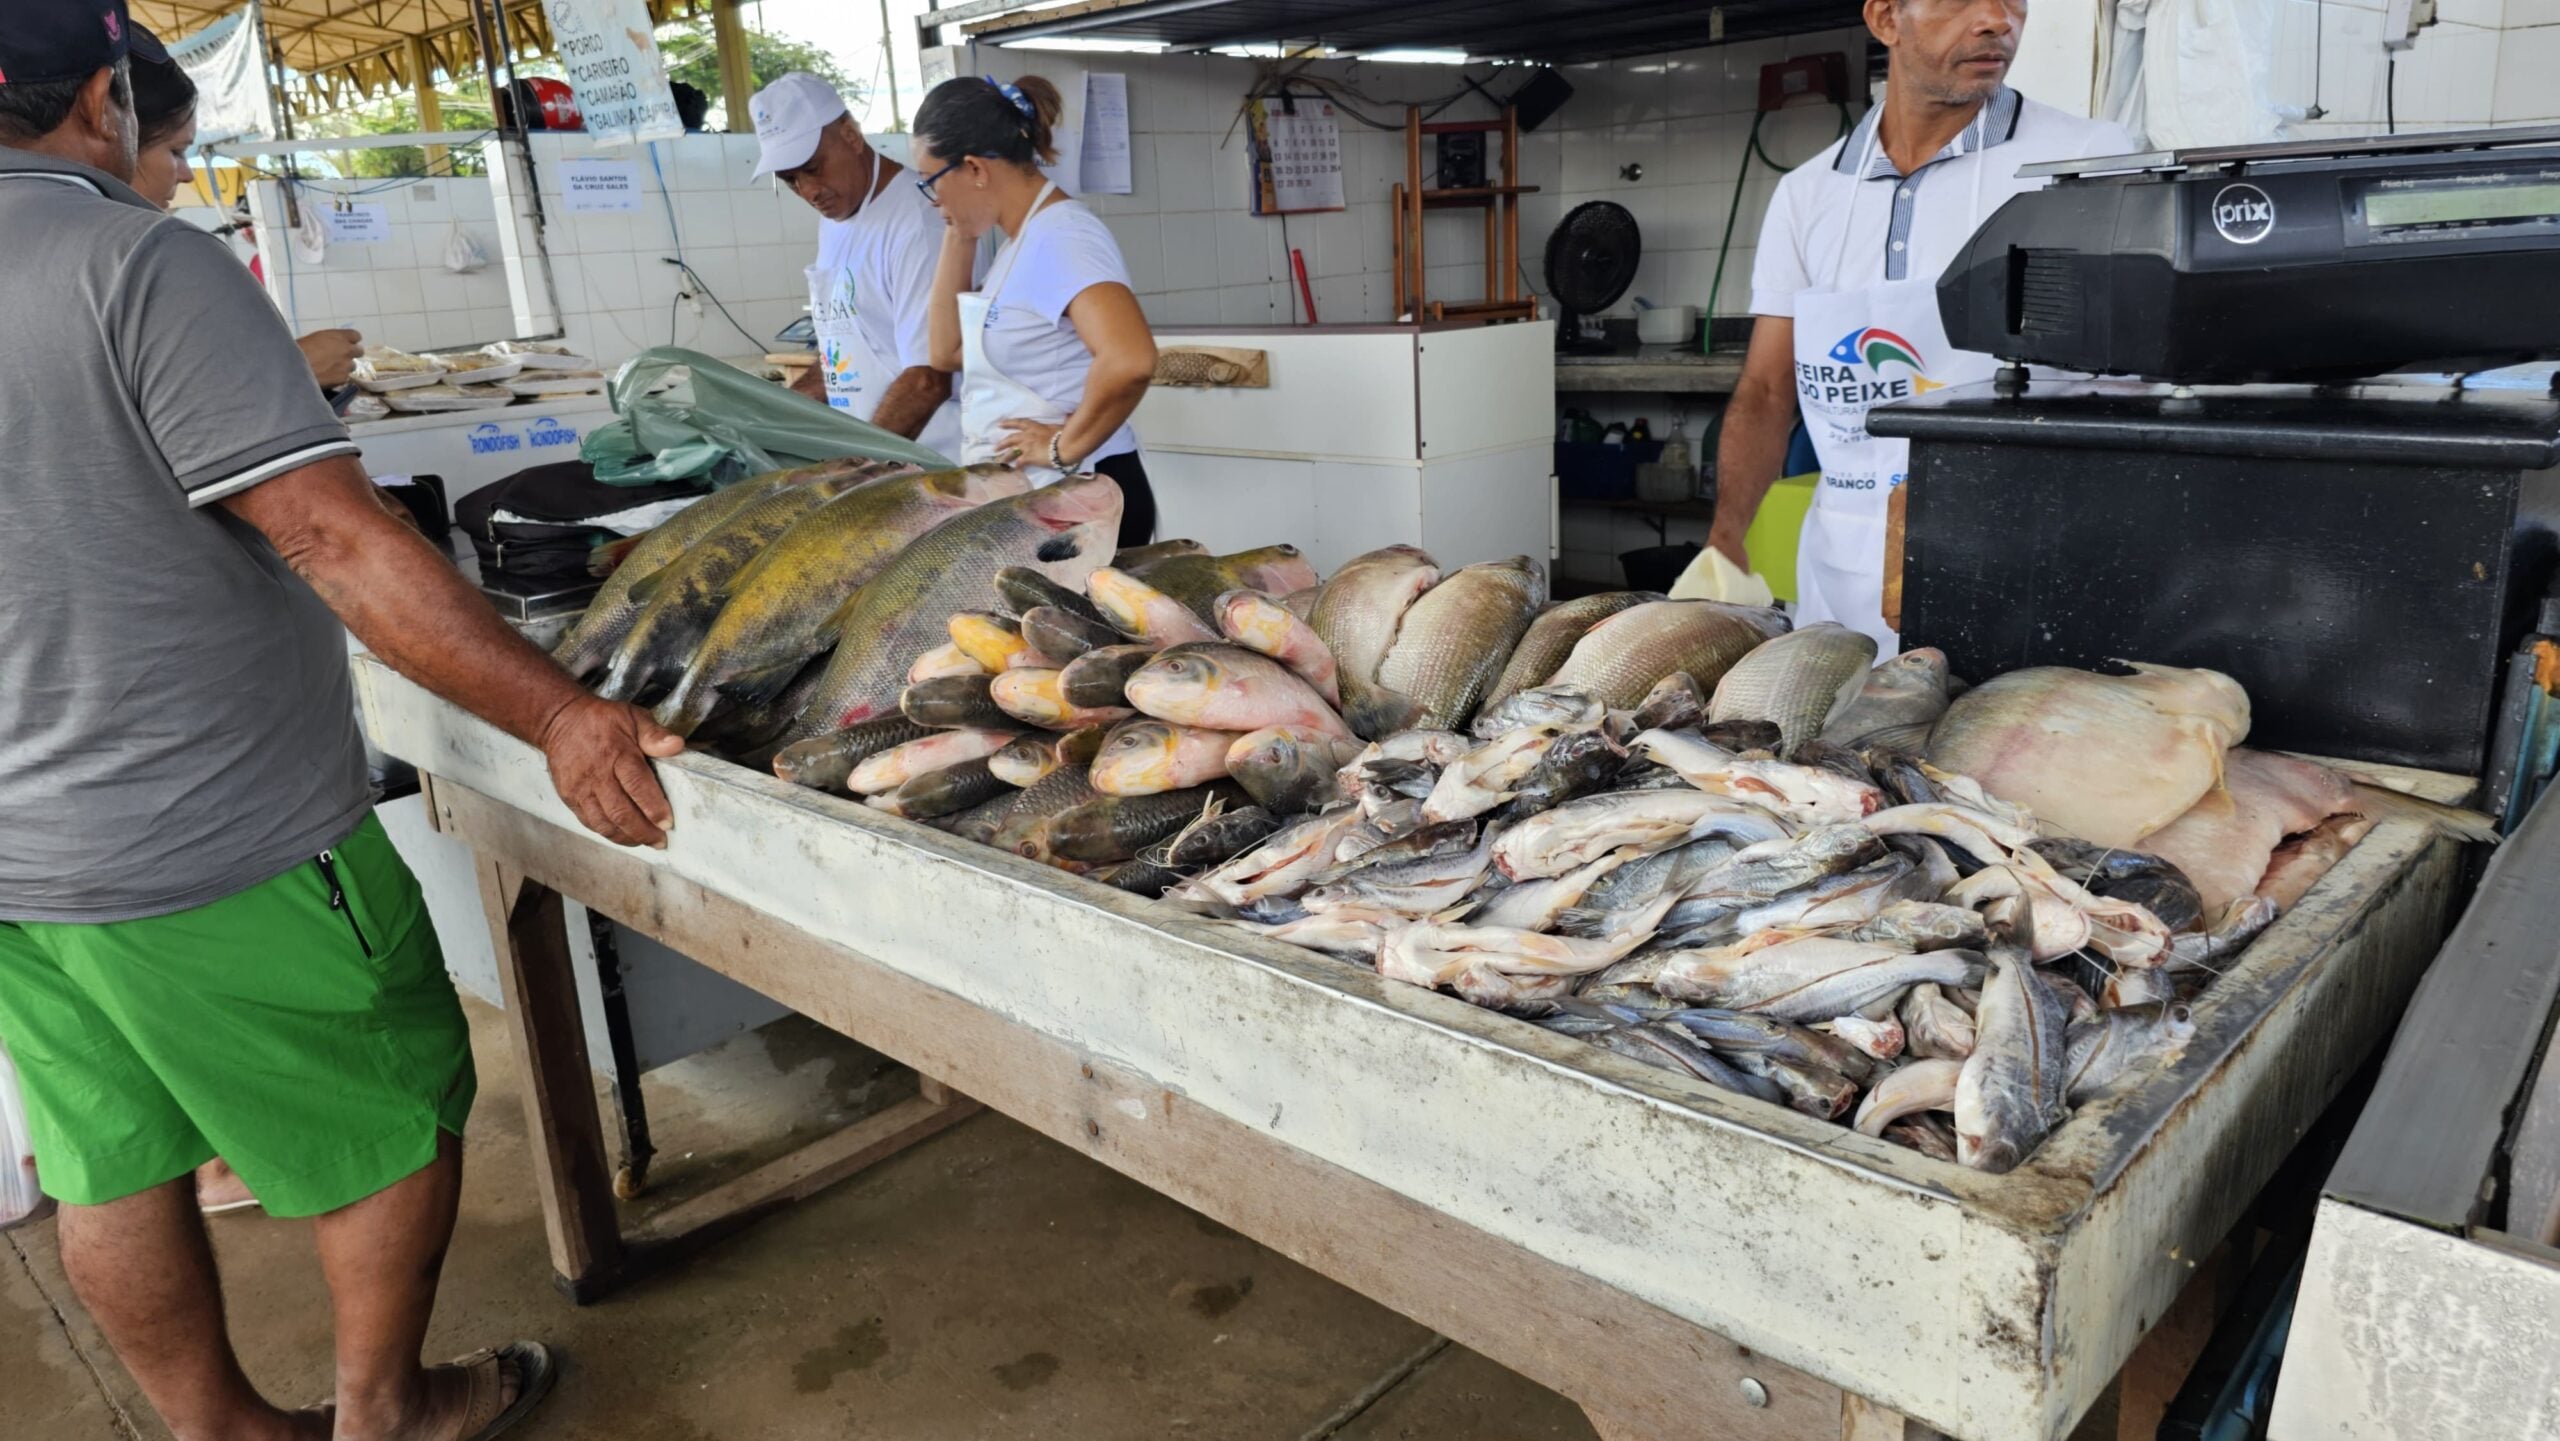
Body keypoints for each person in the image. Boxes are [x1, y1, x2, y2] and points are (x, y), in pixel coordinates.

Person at [0, 5, 683, 1439]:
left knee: (109, 1161)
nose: (175, 168)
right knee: (389, 1107)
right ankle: (388, 1410)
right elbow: (333, 538)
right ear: (106, 97)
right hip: (211, 837)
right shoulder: (134, 264)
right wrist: (560, 712)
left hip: (21, 860)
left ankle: (222, 1432)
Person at [1705, 0, 2133, 652]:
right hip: (1839, 587)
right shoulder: (1807, 194)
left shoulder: (2085, 161)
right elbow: (1767, 391)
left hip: (2015, 571)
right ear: (1884, 20)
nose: (1996, 19)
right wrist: (1726, 543)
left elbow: (2132, 383)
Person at [915, 73, 1158, 547]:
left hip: (1082, 501)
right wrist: (958, 229)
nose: (932, 200)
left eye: (931, 182)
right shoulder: (1020, 243)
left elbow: (1130, 360)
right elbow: (946, 353)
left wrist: (1061, 448)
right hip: (1044, 502)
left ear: (974, 168)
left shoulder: (1063, 238)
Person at [126, 31, 362, 389]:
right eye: (175, 152)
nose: (188, 174)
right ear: (105, 128)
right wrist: (293, 368)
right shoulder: (161, 258)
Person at [749, 70, 963, 458]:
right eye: (790, 180)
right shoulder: (836, 220)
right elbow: (843, 351)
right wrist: (766, 429)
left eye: (813, 169)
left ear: (850, 134)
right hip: (874, 459)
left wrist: (857, 467)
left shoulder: (921, 221)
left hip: (934, 462)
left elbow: (928, 380)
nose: (809, 191)